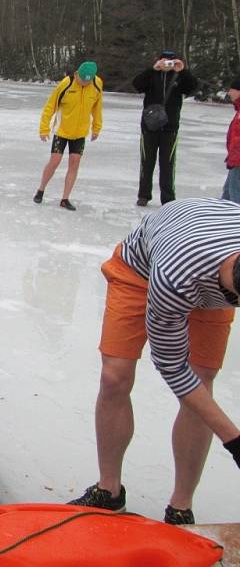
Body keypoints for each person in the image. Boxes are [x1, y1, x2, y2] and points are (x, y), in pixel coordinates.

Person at [69, 197, 240, 524]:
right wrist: (234, 440)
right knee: (115, 376)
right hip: (141, 270)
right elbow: (173, 367)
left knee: (203, 379)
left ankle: (181, 505)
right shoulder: (175, 277)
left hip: (203, 242)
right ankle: (109, 490)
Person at [33, 61, 102, 211]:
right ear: (77, 74)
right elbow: (50, 106)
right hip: (62, 131)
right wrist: (44, 128)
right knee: (55, 162)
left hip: (80, 133)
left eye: (88, 81)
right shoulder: (66, 83)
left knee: (74, 163)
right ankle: (41, 189)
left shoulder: (97, 85)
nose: (84, 83)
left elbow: (97, 107)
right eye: (82, 79)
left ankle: (65, 199)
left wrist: (96, 127)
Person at [132, 50, 198, 207]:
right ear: (159, 61)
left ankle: (168, 198)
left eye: (171, 61)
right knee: (147, 162)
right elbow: (137, 85)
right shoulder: (152, 75)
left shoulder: (180, 77)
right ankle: (144, 195)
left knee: (168, 164)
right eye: (164, 61)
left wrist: (183, 71)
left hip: (170, 128)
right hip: (149, 127)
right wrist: (152, 69)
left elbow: (192, 87)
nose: (167, 64)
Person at [223, 78, 240, 204]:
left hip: (238, 161)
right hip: (235, 159)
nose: (229, 93)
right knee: (228, 193)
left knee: (234, 194)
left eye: (232, 90)